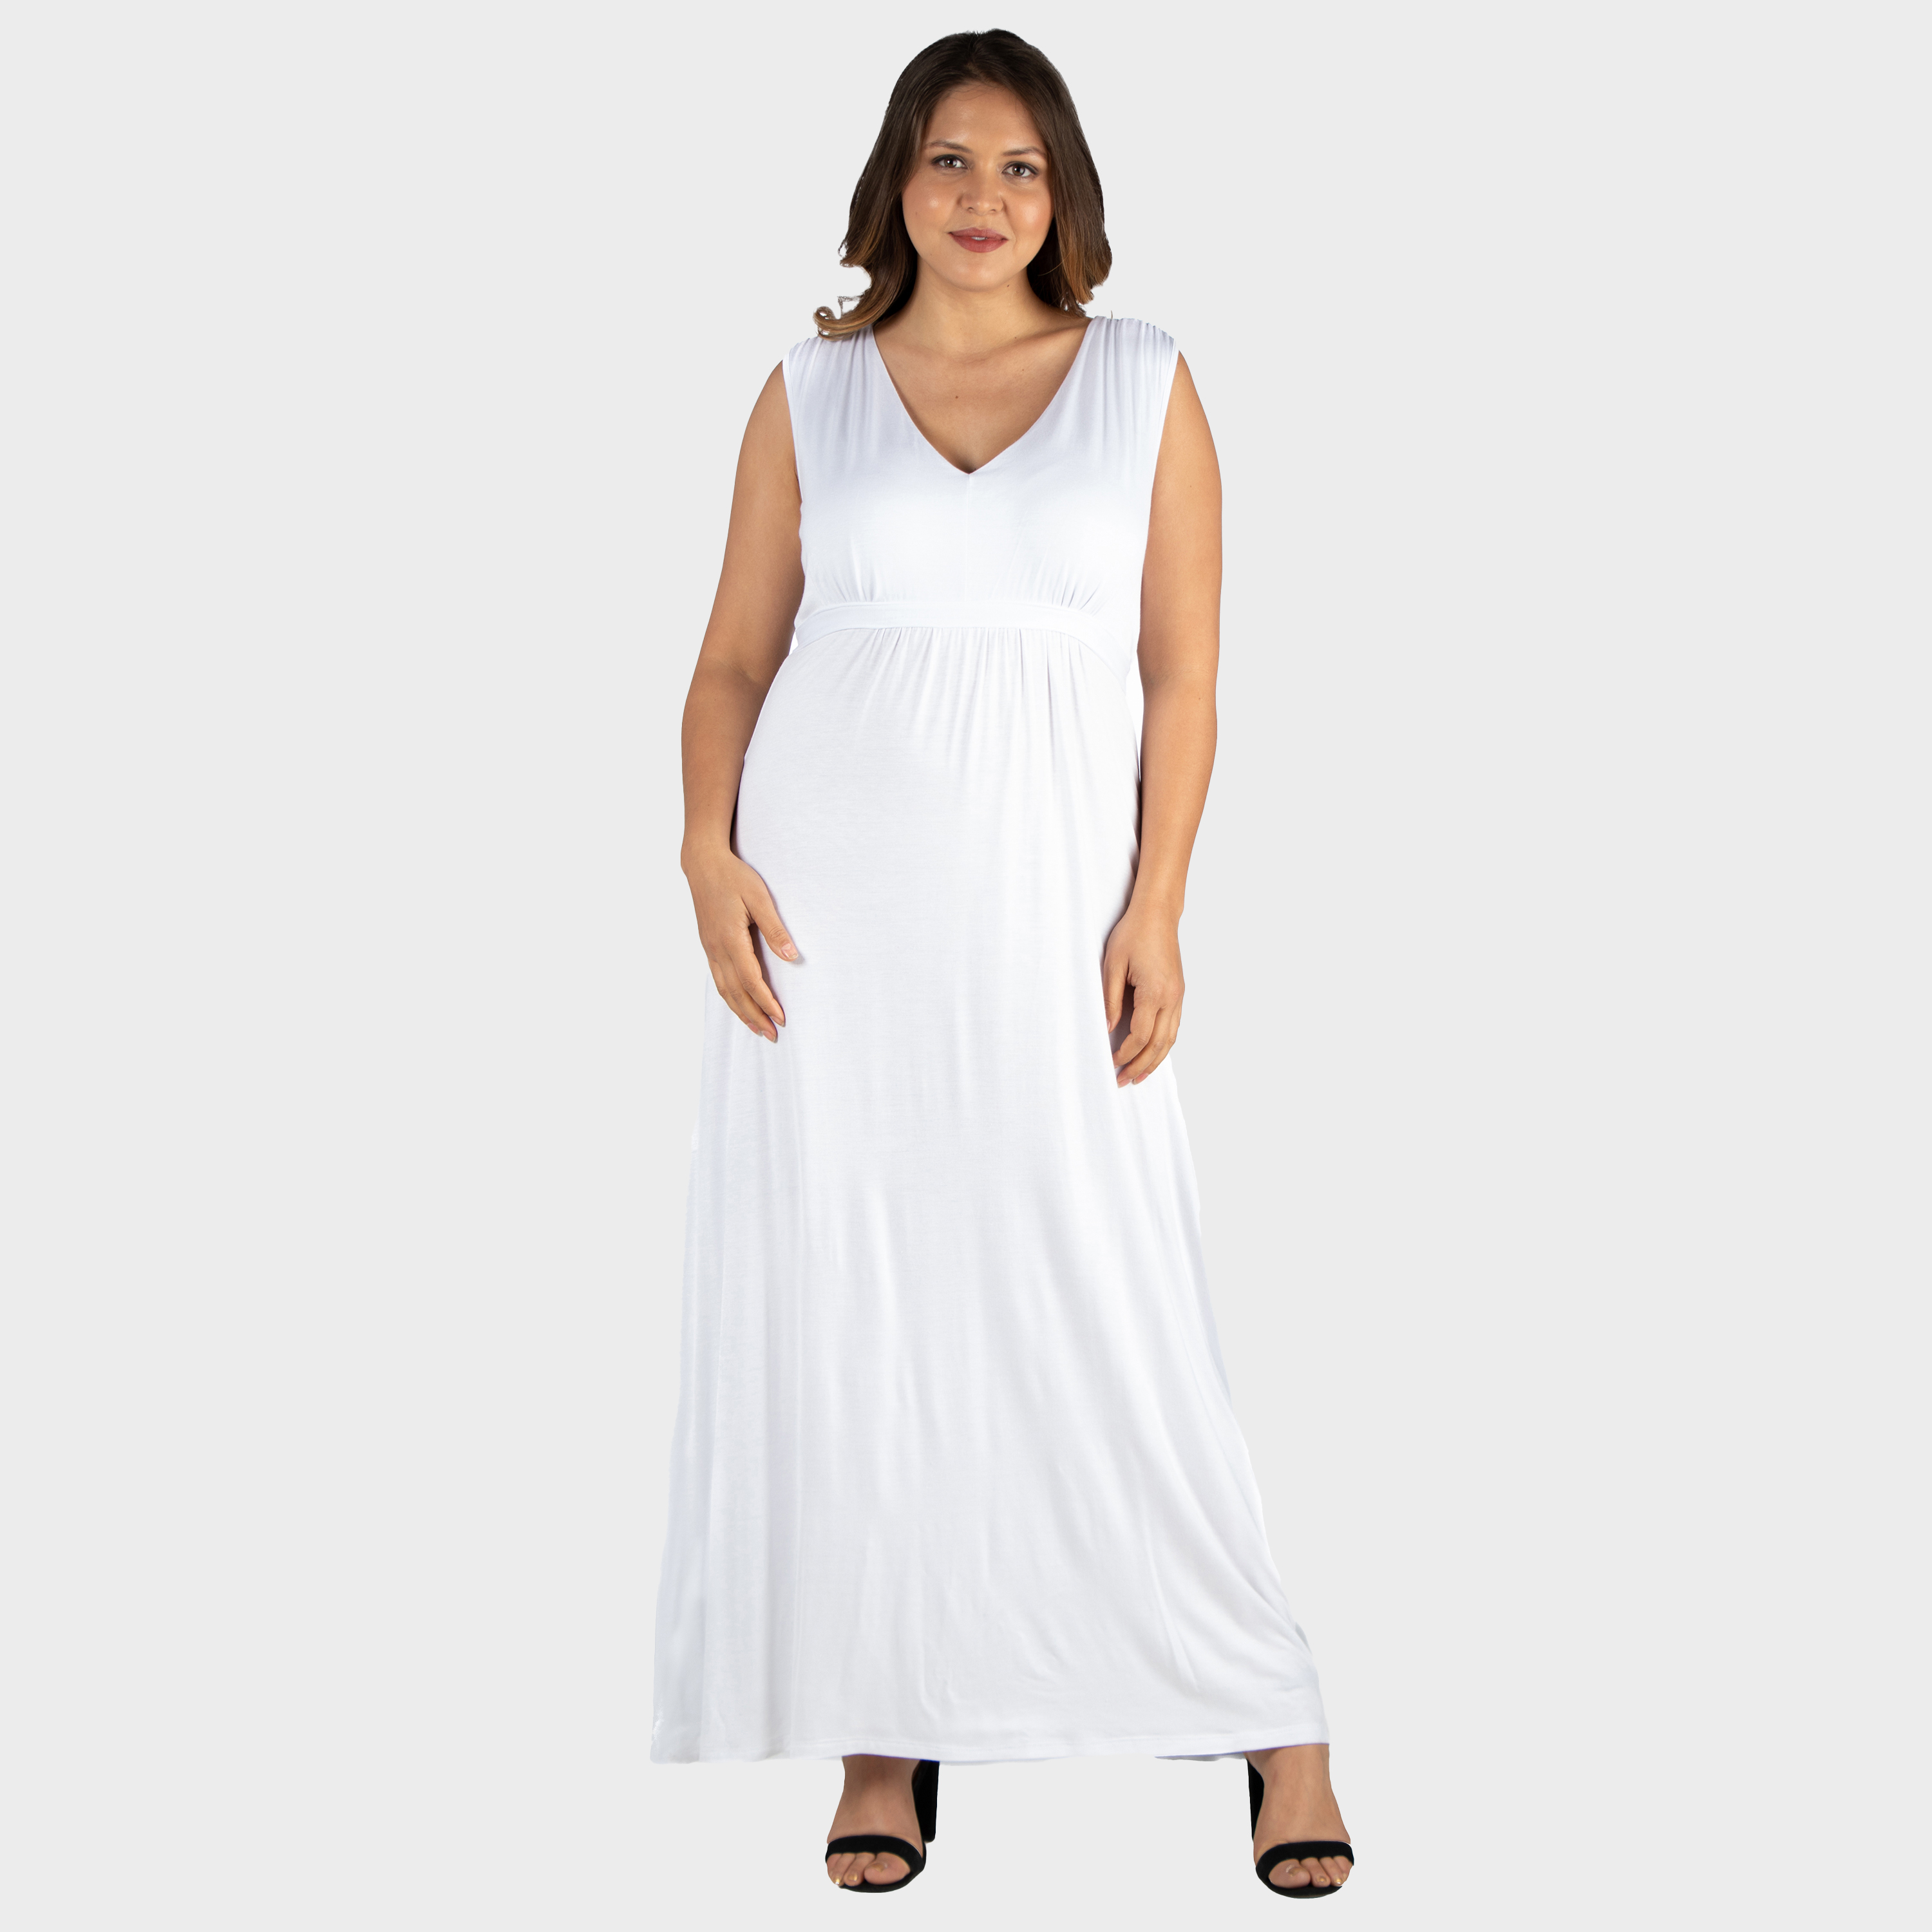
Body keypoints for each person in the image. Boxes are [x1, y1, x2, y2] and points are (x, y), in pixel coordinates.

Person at [652, 29, 1355, 1899]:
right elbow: (732, 658)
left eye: (1021, 167)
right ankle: (884, 1725)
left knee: (1112, 1284)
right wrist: (707, 851)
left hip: (1056, 909)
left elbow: (1184, 673)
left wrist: (1156, 903)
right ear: (898, 178)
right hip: (832, 926)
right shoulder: (809, 391)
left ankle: (1273, 1708)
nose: (983, 198)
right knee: (861, 1307)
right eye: (951, 160)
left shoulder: (1147, 381)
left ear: (1067, 195)